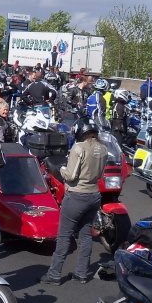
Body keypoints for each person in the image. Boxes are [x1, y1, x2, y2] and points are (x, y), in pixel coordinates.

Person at [40, 118, 108, 285]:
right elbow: (99, 175)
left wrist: (61, 168)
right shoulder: (103, 148)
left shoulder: (78, 147)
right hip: (94, 195)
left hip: (77, 195)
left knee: (64, 236)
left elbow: (70, 176)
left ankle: (54, 275)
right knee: (85, 235)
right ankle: (82, 273)